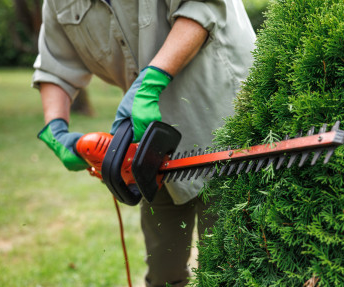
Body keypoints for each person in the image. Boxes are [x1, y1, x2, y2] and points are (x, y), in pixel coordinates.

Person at [32, 1, 255, 286]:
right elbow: (55, 69)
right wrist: (56, 130)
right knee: (163, 267)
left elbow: (200, 6)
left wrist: (151, 80)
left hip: (224, 116)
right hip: (149, 138)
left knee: (231, 268)